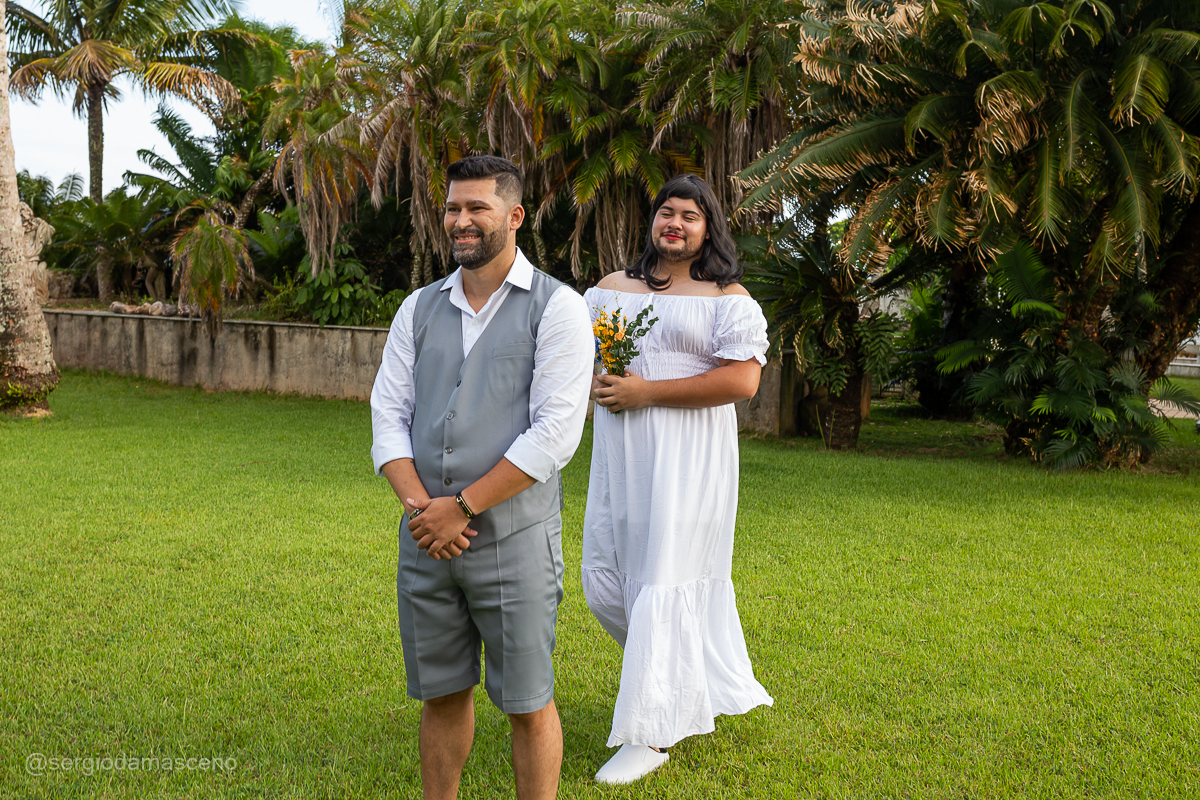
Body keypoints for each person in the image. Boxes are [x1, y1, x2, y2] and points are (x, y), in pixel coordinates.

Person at [370, 155, 594, 800]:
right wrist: (423, 510)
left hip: (514, 542)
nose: (460, 221)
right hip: (426, 539)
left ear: (514, 216)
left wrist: (461, 507)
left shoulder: (558, 309)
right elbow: (389, 416)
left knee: (527, 702)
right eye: (451, 208)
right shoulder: (418, 308)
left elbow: (555, 434)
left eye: (477, 209)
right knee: (440, 694)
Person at [582, 174, 774, 784]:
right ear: (653, 221)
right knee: (605, 581)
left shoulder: (730, 299)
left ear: (708, 228)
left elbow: (742, 383)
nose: (676, 223)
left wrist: (646, 391)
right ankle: (675, 682)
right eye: (668, 212)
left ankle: (651, 734)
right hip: (623, 457)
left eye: (691, 216)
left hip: (691, 461)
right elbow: (576, 359)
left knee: (664, 579)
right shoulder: (614, 289)